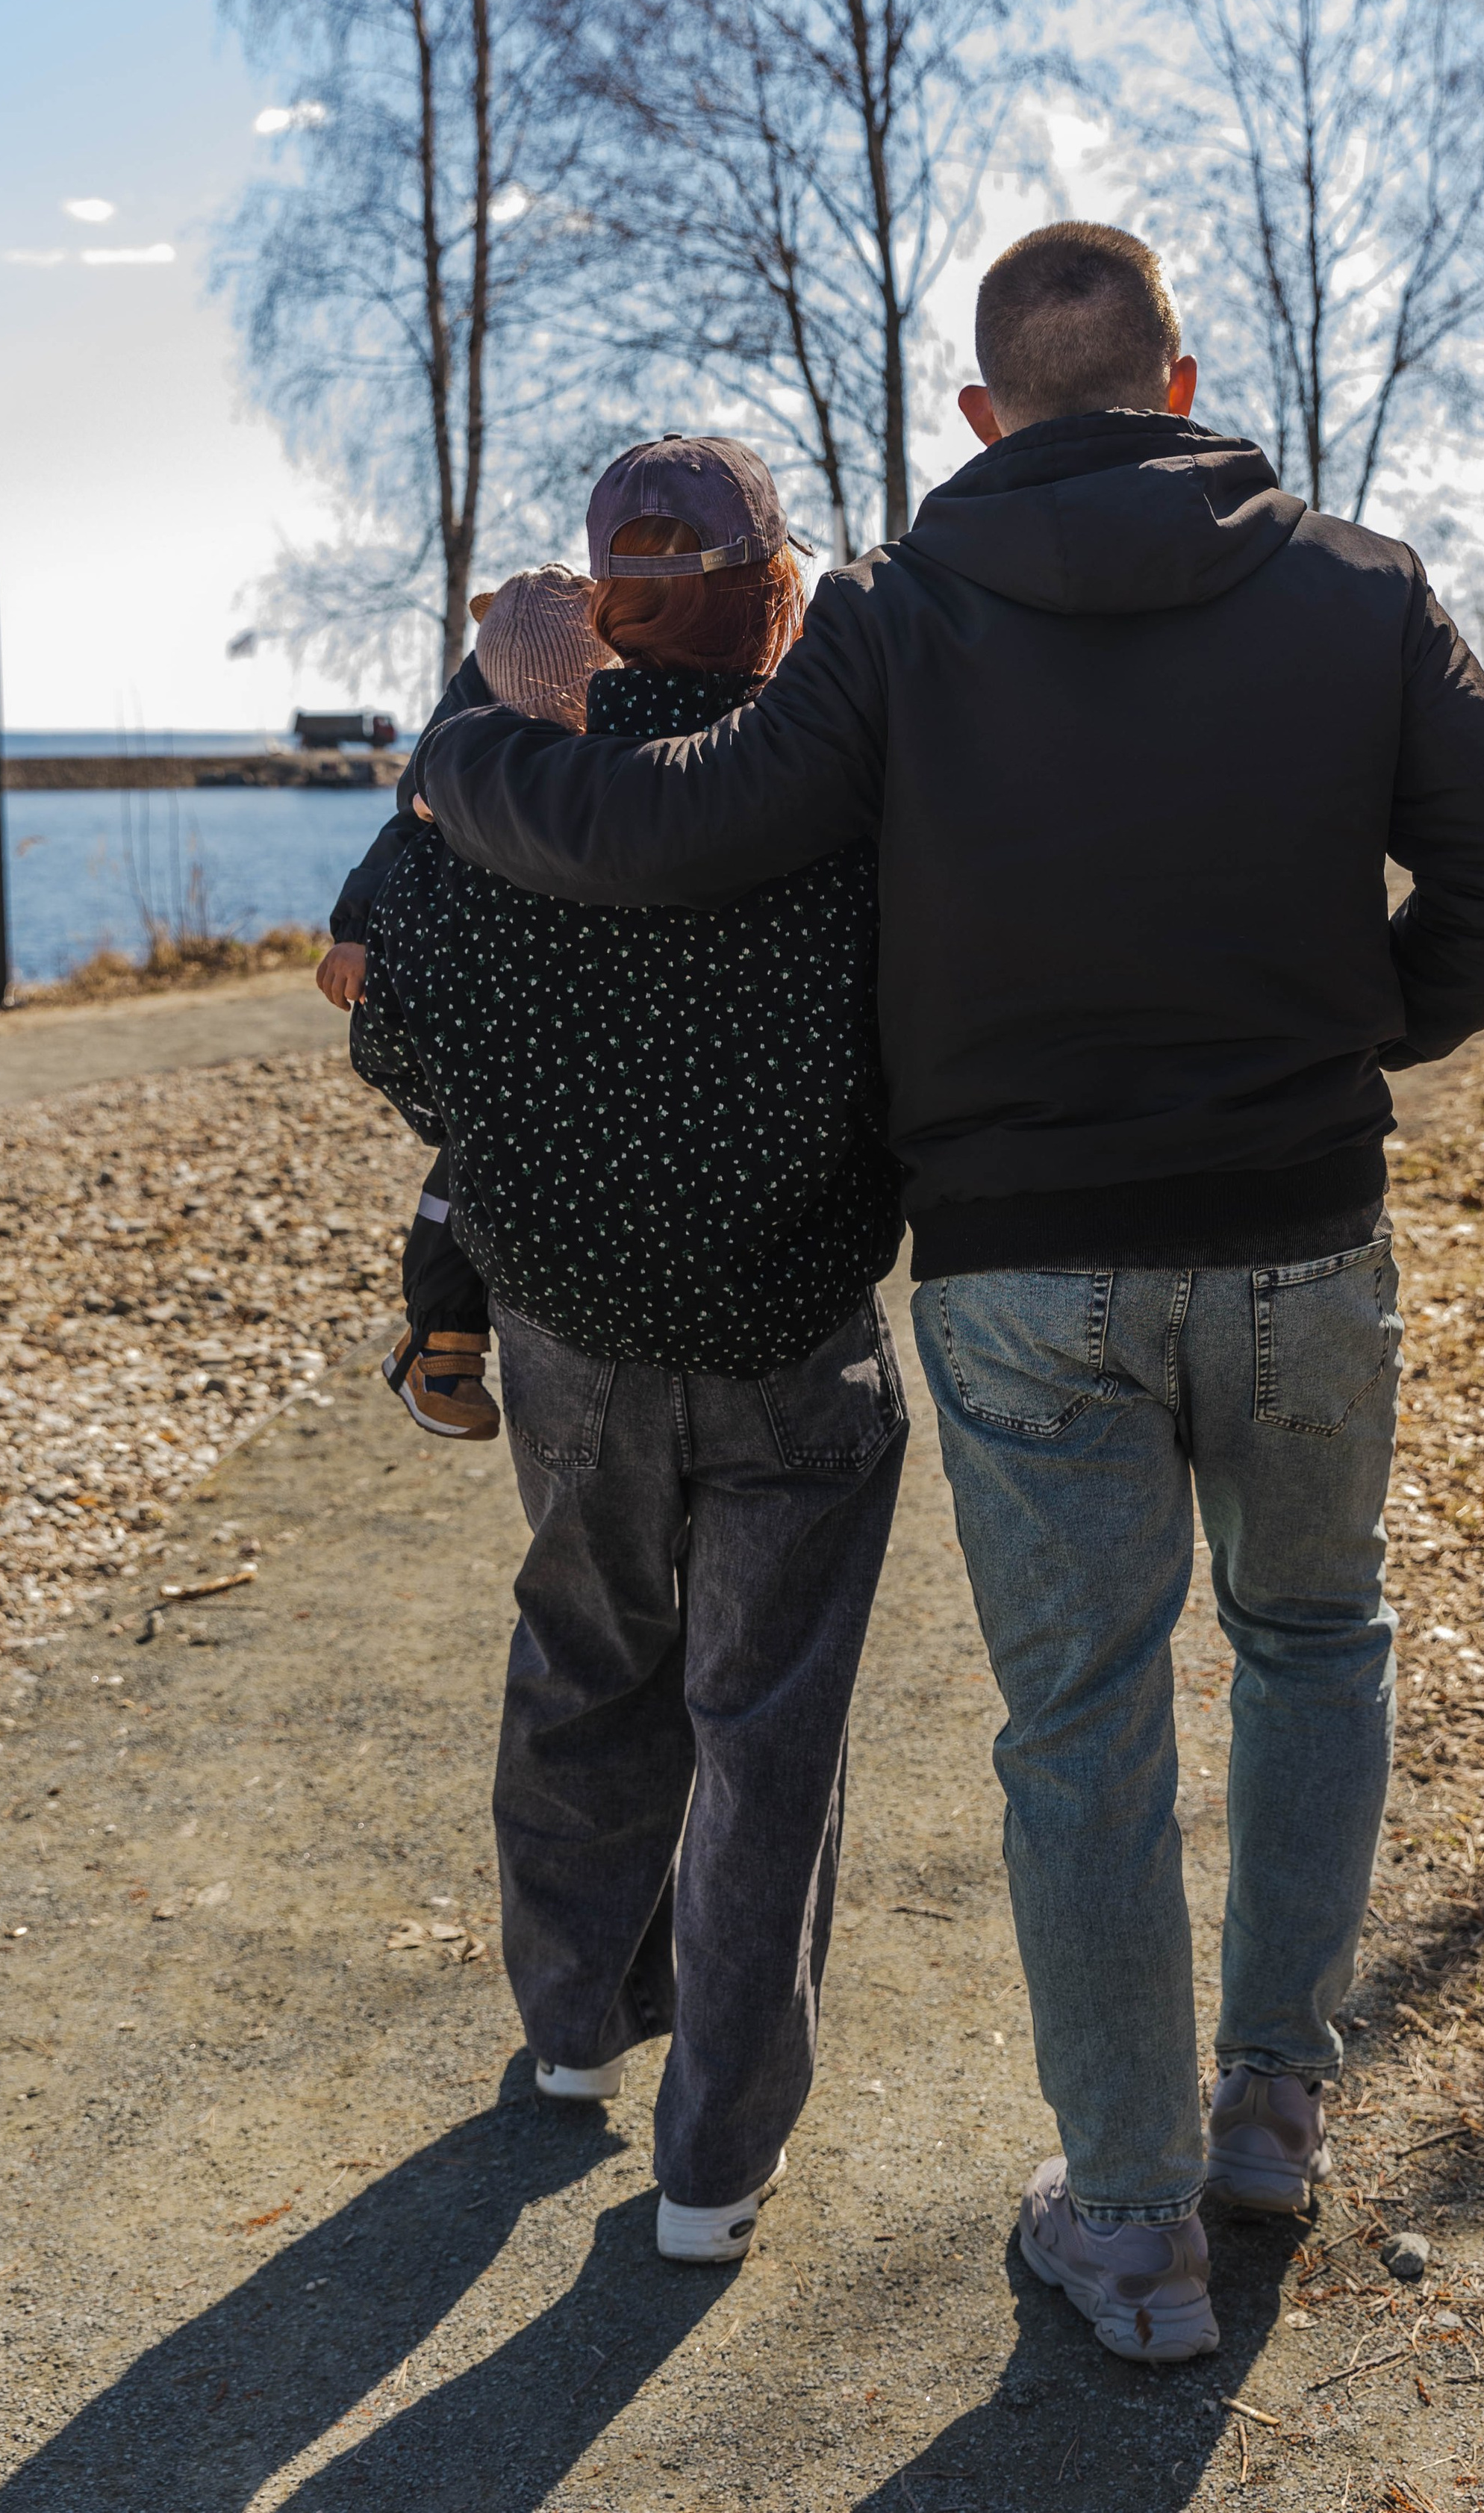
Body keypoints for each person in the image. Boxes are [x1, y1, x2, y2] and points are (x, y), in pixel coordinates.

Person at [411, 225, 1484, 2361]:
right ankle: (1273, 2109)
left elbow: (682, 830)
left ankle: (1129, 2227)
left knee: (1082, 1725)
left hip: (1025, 1265)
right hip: (1304, 1234)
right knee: (1317, 1640)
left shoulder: (896, 613)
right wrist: (1360, 1033)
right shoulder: (1356, 584)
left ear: (981, 413)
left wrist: (476, 740)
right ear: (1179, 377)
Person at [352, 437, 906, 2264]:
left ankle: (573, 2038)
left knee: (584, 1657)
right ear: (768, 583)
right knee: (768, 1736)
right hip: (789, 1329)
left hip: (569, 1324)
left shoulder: (498, 771)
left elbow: (383, 1014)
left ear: (590, 588)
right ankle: (713, 2168)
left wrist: (510, 1163)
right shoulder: (834, 773)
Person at [319, 564, 614, 1442]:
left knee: (501, 1138)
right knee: (481, 1141)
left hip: (547, 983)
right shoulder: (458, 738)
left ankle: (442, 1338)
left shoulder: (617, 722)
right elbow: (399, 838)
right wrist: (354, 929)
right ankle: (439, 1337)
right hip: (475, 987)